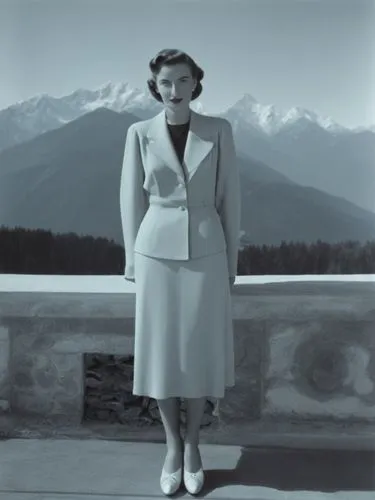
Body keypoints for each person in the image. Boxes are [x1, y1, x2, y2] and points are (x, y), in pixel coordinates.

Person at [119, 48, 241, 496]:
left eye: (183, 80)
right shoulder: (138, 133)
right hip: (154, 255)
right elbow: (130, 199)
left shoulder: (219, 130)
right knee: (163, 354)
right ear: (156, 86)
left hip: (207, 253)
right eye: (166, 82)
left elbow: (231, 197)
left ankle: (194, 446)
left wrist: (231, 264)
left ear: (195, 83)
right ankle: (173, 446)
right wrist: (131, 260)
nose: (174, 90)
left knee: (197, 351)